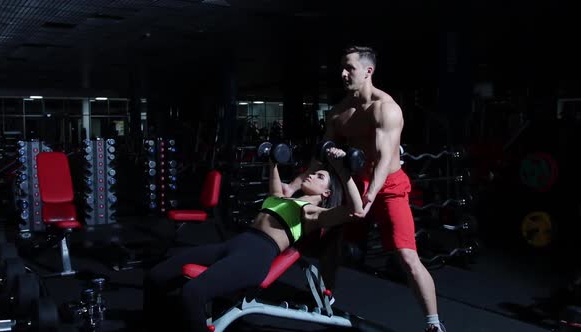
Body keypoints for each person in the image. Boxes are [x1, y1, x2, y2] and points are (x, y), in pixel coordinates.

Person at [283, 45, 446, 332]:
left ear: (368, 71)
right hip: (355, 183)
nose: (343, 74)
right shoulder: (338, 113)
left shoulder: (386, 108)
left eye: (350, 68)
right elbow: (320, 155)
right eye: (342, 68)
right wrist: (293, 185)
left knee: (407, 256)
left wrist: (370, 197)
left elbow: (384, 159)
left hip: (389, 186)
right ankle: (325, 302)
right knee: (331, 244)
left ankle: (433, 323)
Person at [144, 148, 363, 332]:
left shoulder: (312, 213)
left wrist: (343, 172)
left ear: (326, 194)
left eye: (320, 177)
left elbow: (354, 211)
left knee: (193, 292)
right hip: (234, 245)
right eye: (314, 173)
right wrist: (273, 163)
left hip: (255, 256)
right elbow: (277, 192)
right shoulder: (286, 201)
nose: (311, 175)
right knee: (156, 276)